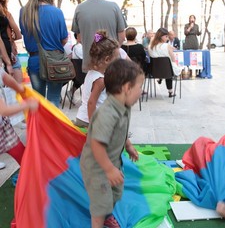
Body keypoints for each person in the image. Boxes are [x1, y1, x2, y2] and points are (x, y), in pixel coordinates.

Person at [80, 58, 144, 228]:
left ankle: (107, 214)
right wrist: (108, 169)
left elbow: (120, 130)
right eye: (140, 87)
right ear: (127, 88)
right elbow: (96, 144)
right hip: (97, 167)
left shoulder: (124, 106)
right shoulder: (107, 113)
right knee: (100, 204)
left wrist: (128, 145)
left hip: (112, 162)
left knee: (115, 193)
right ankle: (99, 222)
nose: (141, 92)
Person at [19, 0, 69, 107]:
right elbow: (64, 39)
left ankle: (40, 126)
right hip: (55, 62)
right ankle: (52, 126)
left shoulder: (24, 12)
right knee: (53, 100)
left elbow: (24, 34)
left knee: (38, 102)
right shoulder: (57, 12)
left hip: (35, 61)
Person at [71, 0, 126, 72]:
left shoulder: (79, 8)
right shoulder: (114, 7)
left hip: (90, 64)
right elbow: (122, 36)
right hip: (112, 64)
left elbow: (79, 38)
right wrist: (113, 51)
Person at [74, 30, 119, 128]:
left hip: (84, 117)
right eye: (116, 58)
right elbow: (91, 102)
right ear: (107, 60)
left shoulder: (91, 73)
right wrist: (93, 126)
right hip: (89, 120)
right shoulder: (100, 80)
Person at [0, 60, 38, 166]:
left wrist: (19, 88)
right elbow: (3, 110)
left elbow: (5, 77)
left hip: (3, 125)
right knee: (20, 153)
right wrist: (27, 104)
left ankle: (30, 173)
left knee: (20, 153)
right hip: (2, 119)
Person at [148, 28, 181, 97]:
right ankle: (170, 91)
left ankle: (160, 79)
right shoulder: (167, 46)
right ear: (161, 36)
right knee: (170, 67)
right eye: (166, 36)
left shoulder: (150, 46)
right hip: (167, 71)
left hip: (154, 71)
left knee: (166, 67)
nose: (168, 38)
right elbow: (173, 59)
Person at [0, 0, 22, 73]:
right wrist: (8, 63)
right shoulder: (6, 14)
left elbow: (18, 35)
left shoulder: (5, 13)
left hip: (9, 56)